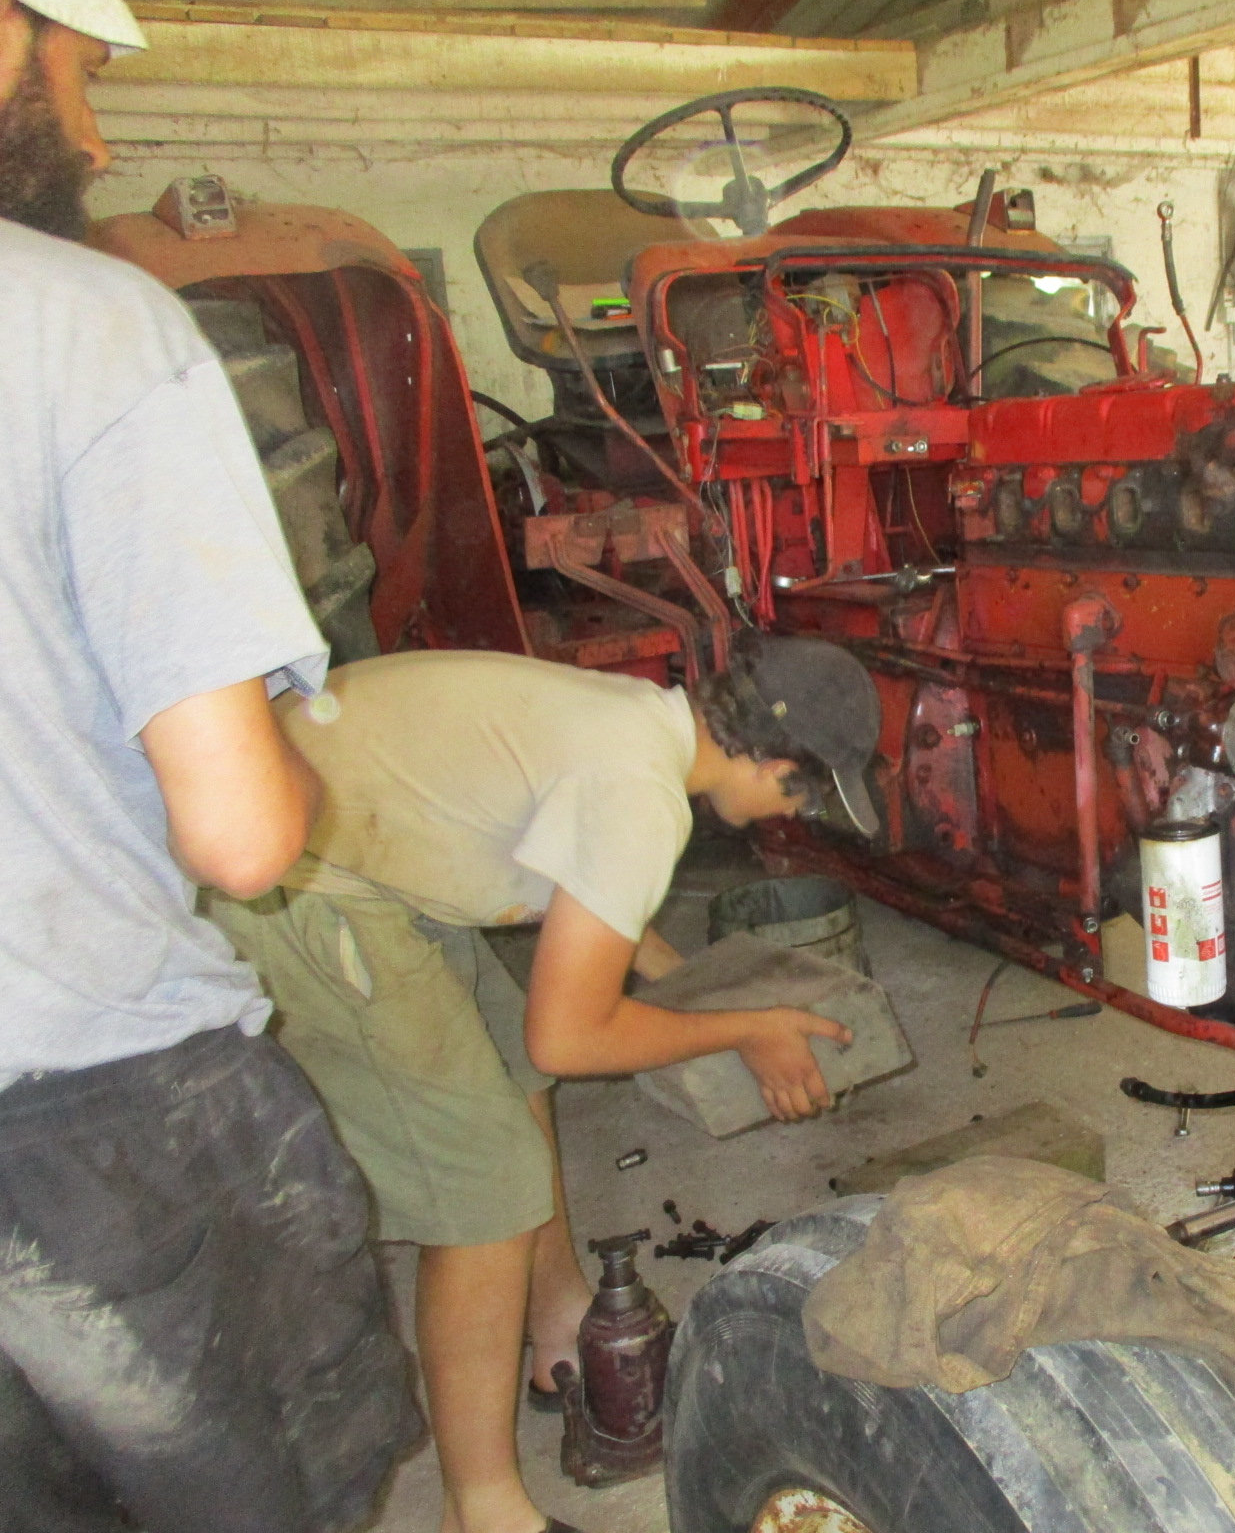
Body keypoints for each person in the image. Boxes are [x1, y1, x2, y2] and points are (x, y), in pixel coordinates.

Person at [0, 0, 418, 1529]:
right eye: (81, 74)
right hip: (90, 1113)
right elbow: (242, 836)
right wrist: (292, 774)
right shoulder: (84, 320)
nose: (96, 139)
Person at [206, 636, 882, 1533]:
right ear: (774, 763)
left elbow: (598, 904)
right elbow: (569, 1035)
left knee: (514, 1080)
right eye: (805, 794)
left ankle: (557, 1326)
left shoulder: (639, 721)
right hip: (307, 882)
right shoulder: (641, 794)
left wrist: (705, 990)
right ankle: (482, 1510)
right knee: (487, 1186)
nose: (790, 815)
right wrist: (748, 1031)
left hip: (367, 843)